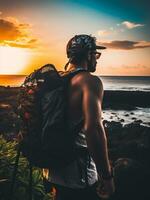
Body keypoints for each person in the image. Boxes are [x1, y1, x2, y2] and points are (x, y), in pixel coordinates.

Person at [43, 34, 115, 200]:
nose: (96, 60)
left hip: (51, 169)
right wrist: (107, 176)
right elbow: (94, 130)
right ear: (89, 55)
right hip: (78, 175)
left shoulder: (56, 80)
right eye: (96, 55)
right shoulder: (90, 81)